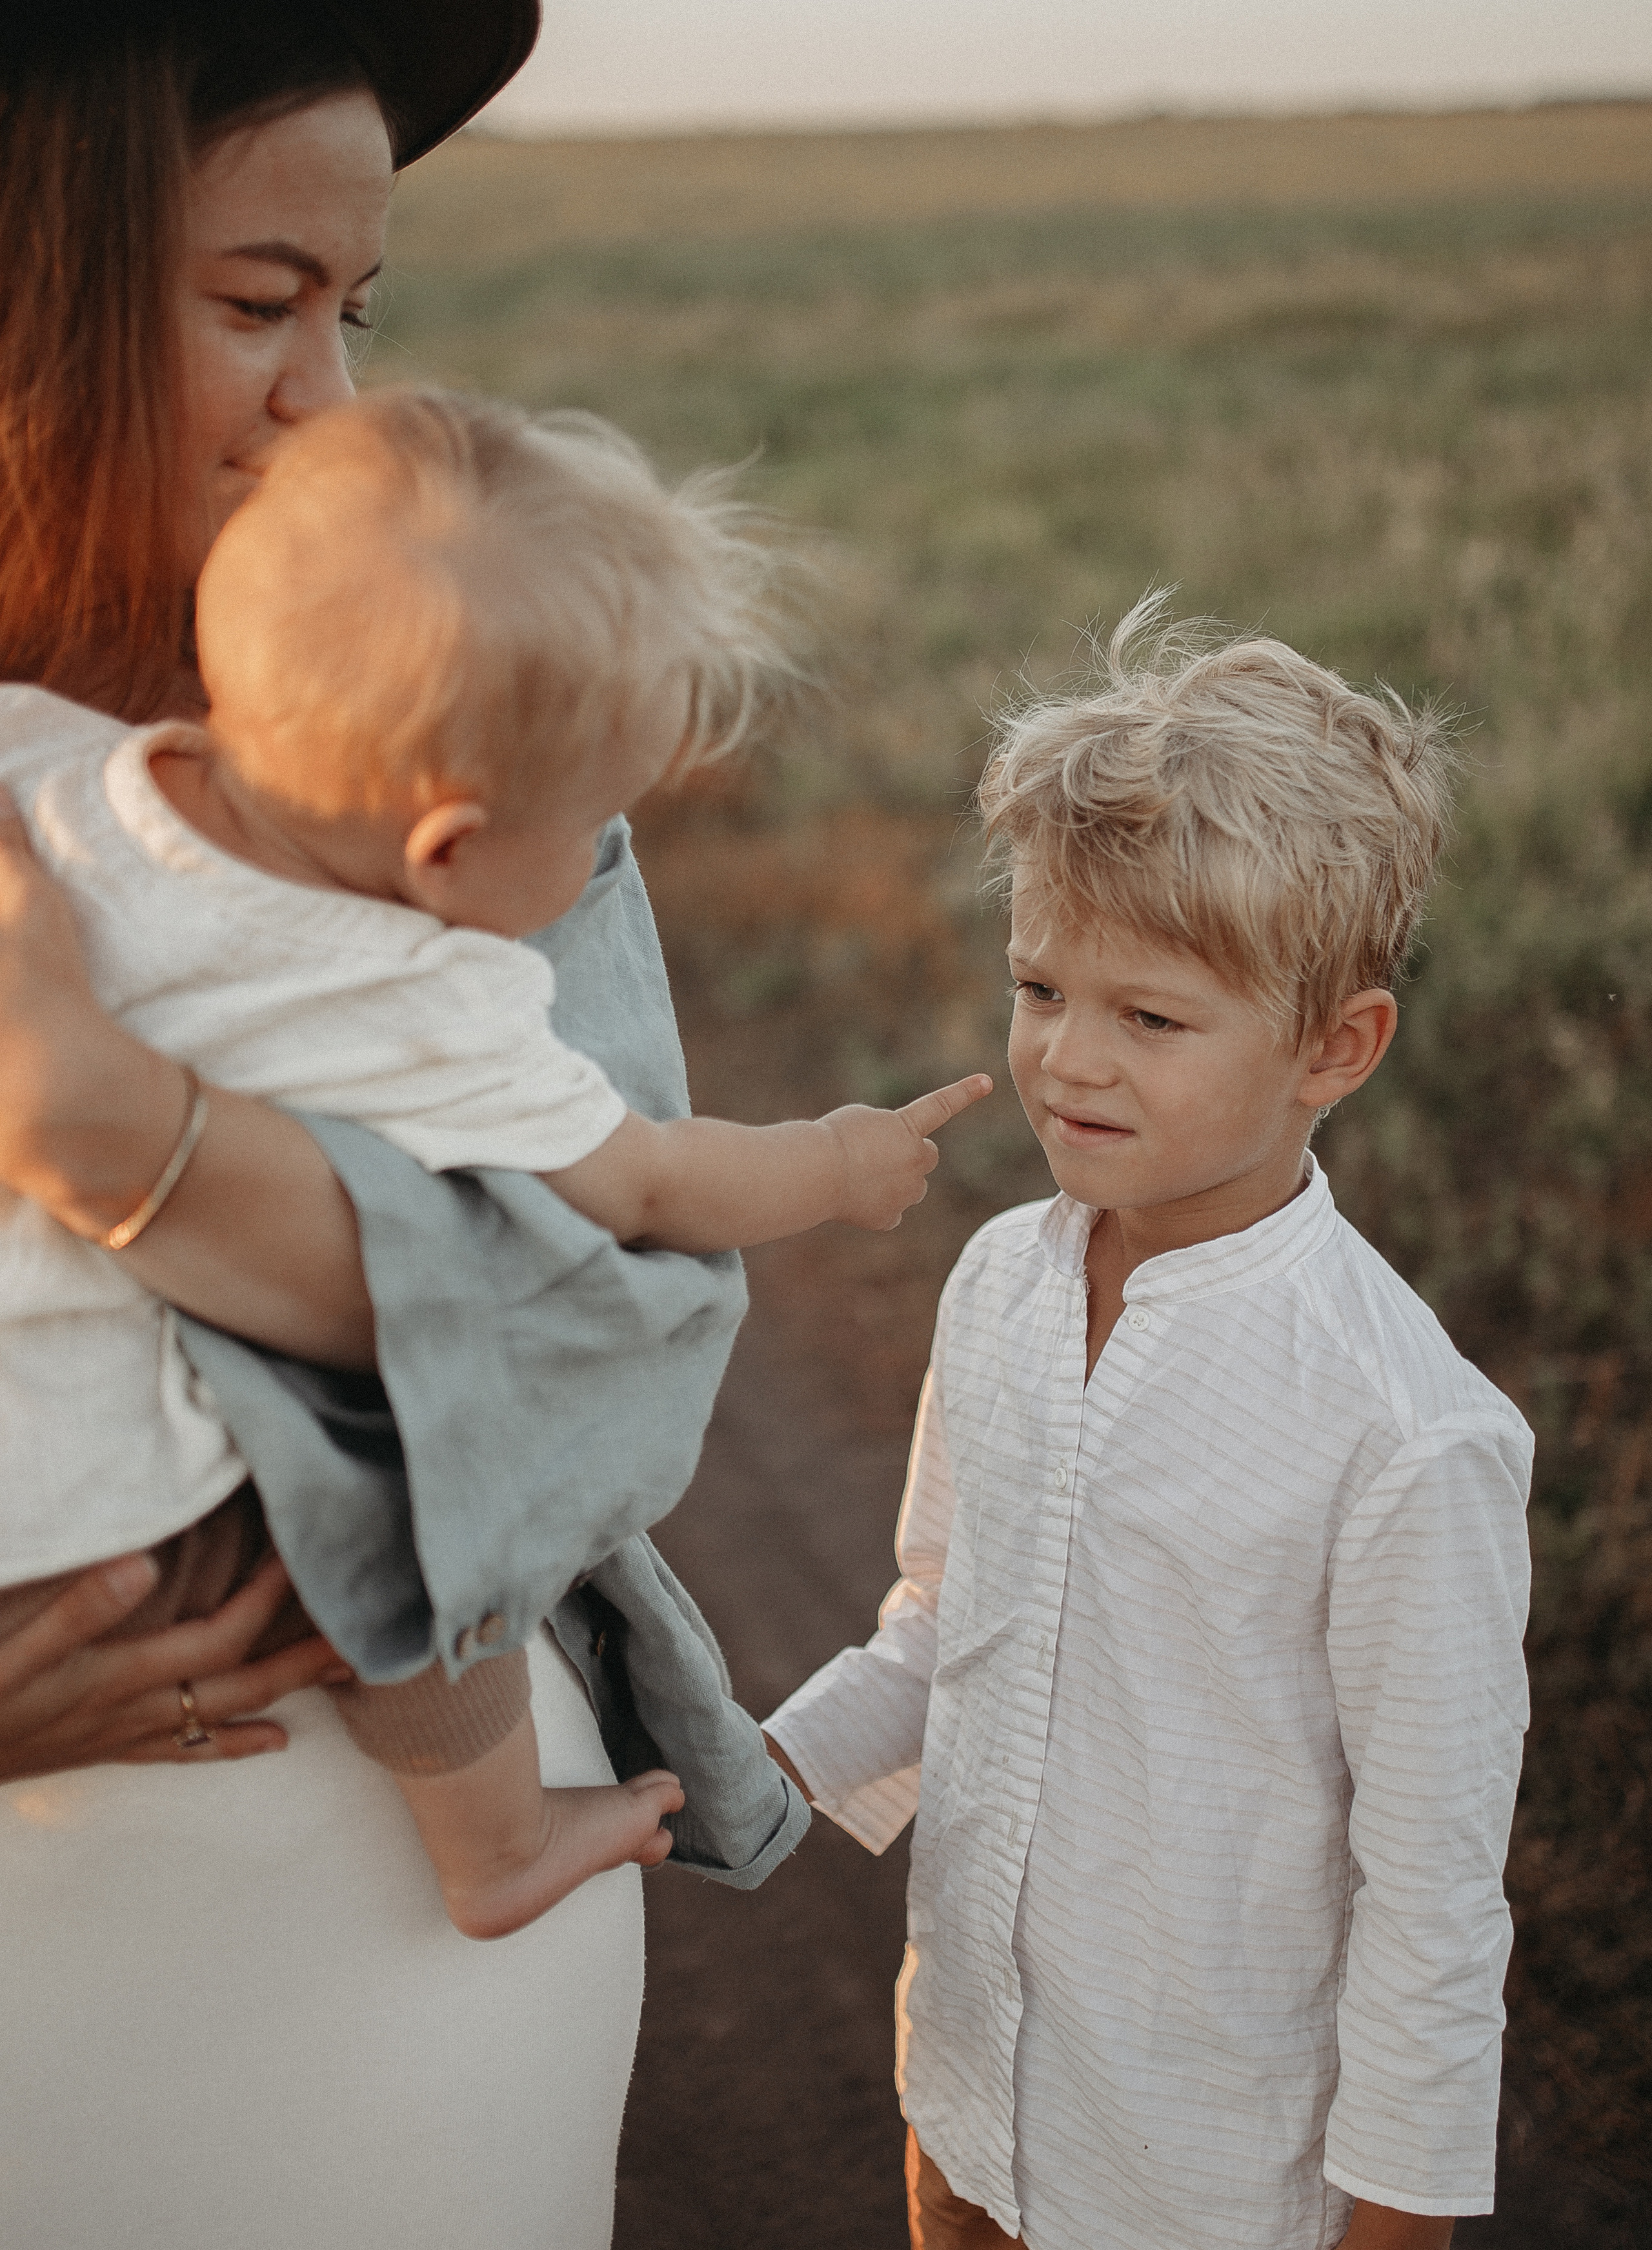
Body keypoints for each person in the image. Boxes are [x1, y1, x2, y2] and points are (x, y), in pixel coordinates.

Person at [0, 8, 805, 2250]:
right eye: (261, 303)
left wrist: (112, 1126)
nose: (332, 404)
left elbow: (602, 1316)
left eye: (364, 310)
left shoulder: (440, 729)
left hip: (351, 1932)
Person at [1, 382, 988, 1937]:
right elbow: (652, 1181)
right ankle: (496, 1844)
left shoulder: (42, 762)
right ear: (448, 849)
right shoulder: (425, 998)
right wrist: (837, 1161)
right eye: (592, 820)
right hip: (104, 1539)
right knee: (421, 1490)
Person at [762, 601, 1533, 2250]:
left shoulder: (1400, 1429)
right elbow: (941, 1620)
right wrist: (746, 1772)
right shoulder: (1000, 1284)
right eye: (1041, 991)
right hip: (988, 2098)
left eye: (1152, 1020)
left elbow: (1434, 1882)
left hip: (1223, 2192)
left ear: (1334, 1046)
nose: (1068, 1065)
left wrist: (1405, 2232)